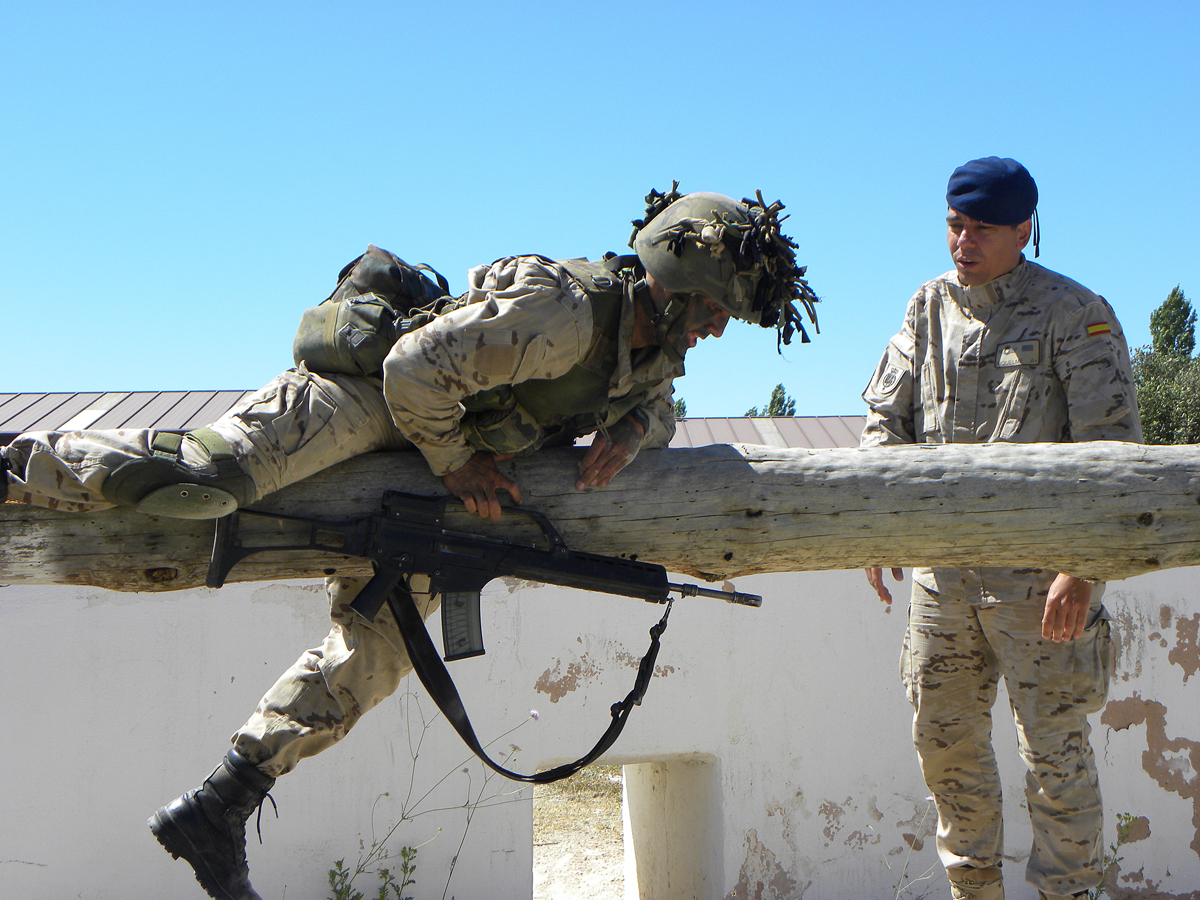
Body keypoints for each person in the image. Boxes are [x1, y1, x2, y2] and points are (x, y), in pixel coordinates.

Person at [0, 185, 818, 900]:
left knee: (381, 651)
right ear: (678, 289)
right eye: (714, 312)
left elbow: (662, 404)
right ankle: (17, 467)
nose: (715, 330)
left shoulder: (648, 352)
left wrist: (635, 427)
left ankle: (220, 804)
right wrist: (461, 464)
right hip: (365, 400)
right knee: (202, 482)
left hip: (430, 450)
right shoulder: (564, 315)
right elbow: (412, 369)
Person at [860, 157, 1141, 900]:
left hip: (1041, 588)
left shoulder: (1074, 313)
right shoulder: (927, 308)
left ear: (1024, 229)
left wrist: (1083, 570)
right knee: (945, 750)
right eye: (954, 224)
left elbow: (1113, 457)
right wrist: (874, 531)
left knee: (1054, 756)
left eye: (981, 227)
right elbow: (883, 428)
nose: (963, 240)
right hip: (942, 585)